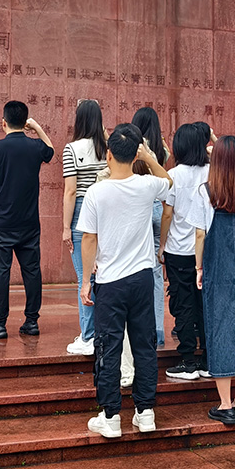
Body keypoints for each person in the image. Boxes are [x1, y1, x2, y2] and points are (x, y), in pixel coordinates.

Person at [78, 124, 172, 439]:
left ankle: (110, 416)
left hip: (110, 281)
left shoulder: (96, 191)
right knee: (144, 346)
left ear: (108, 154)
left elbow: (89, 238)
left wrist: (86, 280)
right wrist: (150, 157)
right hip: (143, 279)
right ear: (135, 155)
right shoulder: (147, 185)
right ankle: (145, 413)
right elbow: (169, 183)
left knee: (108, 346)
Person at [188, 136, 235, 424]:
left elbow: (199, 234)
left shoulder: (206, 191)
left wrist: (198, 267)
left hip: (217, 268)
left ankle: (225, 405)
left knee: (221, 328)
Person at [0, 101, 54, 339]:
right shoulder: (34, 147)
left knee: (0, 272)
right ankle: (31, 322)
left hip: (1, 223)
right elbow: (50, 150)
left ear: (3, 122)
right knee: (32, 271)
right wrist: (37, 128)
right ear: (25, 122)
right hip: (29, 223)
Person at [160, 123, 211, 380]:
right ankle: (208, 358)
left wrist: (162, 245)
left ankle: (188, 360)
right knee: (205, 304)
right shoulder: (213, 172)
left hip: (179, 249)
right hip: (207, 249)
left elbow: (167, 213)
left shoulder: (175, 175)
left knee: (183, 304)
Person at [62, 100, 108, 356]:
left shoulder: (72, 149)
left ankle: (89, 336)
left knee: (85, 276)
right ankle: (101, 332)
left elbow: (70, 191)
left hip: (82, 211)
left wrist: (65, 227)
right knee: (103, 274)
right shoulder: (107, 148)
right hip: (106, 211)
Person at [131, 106, 170, 349]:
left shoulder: (133, 146)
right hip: (158, 208)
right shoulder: (161, 149)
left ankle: (137, 331)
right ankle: (158, 331)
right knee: (156, 273)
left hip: (138, 204)